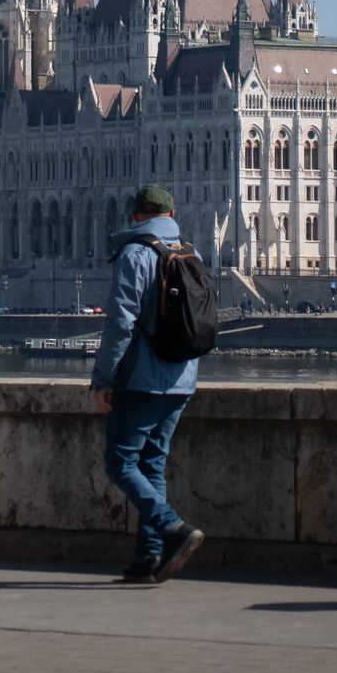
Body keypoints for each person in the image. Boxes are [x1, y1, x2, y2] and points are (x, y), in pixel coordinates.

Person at [90, 184, 204, 585]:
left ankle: (173, 529)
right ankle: (148, 556)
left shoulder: (135, 255)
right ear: (171, 215)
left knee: (120, 463)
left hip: (142, 378)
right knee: (152, 466)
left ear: (138, 216)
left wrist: (103, 378)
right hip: (182, 378)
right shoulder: (191, 253)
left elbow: (120, 322)